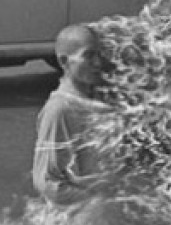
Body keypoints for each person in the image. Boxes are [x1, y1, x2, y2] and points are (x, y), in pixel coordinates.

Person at [32, 24, 115, 206]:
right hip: (82, 223)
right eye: (88, 56)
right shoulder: (60, 110)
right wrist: (97, 203)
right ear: (64, 61)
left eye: (100, 55)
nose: (98, 63)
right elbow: (48, 183)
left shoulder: (101, 99)